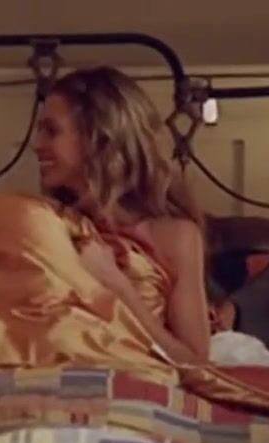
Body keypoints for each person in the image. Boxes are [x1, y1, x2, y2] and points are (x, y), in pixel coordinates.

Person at [33, 66, 210, 364]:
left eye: (51, 131)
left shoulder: (175, 236)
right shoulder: (47, 223)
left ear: (98, 138)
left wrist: (116, 284)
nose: (37, 145)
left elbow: (195, 361)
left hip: (140, 378)